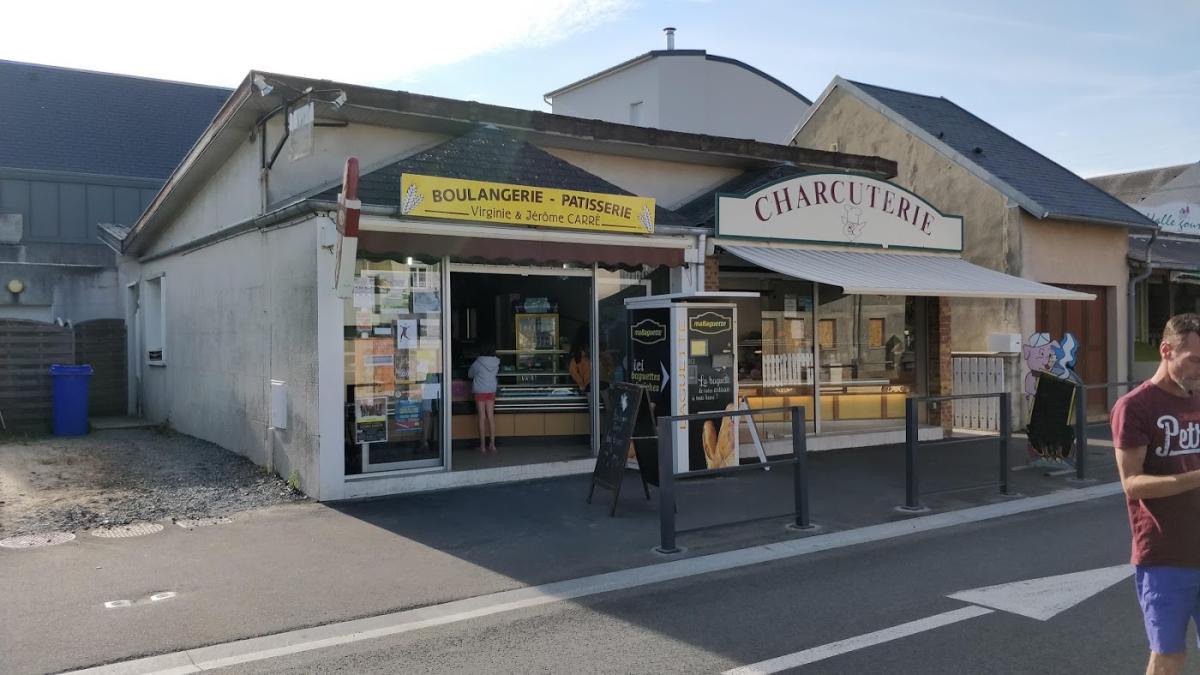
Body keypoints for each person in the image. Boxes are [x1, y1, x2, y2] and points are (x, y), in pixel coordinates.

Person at [1112, 313, 1200, 675]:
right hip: (1165, 556)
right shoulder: (1135, 406)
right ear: (1166, 350)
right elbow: (1132, 483)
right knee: (1168, 657)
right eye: (1194, 360)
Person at [468, 343, 500, 453]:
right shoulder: (496, 362)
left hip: (480, 390)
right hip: (491, 390)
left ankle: (482, 447)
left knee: (482, 417)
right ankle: (492, 445)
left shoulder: (477, 363)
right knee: (491, 417)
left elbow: (470, 374)